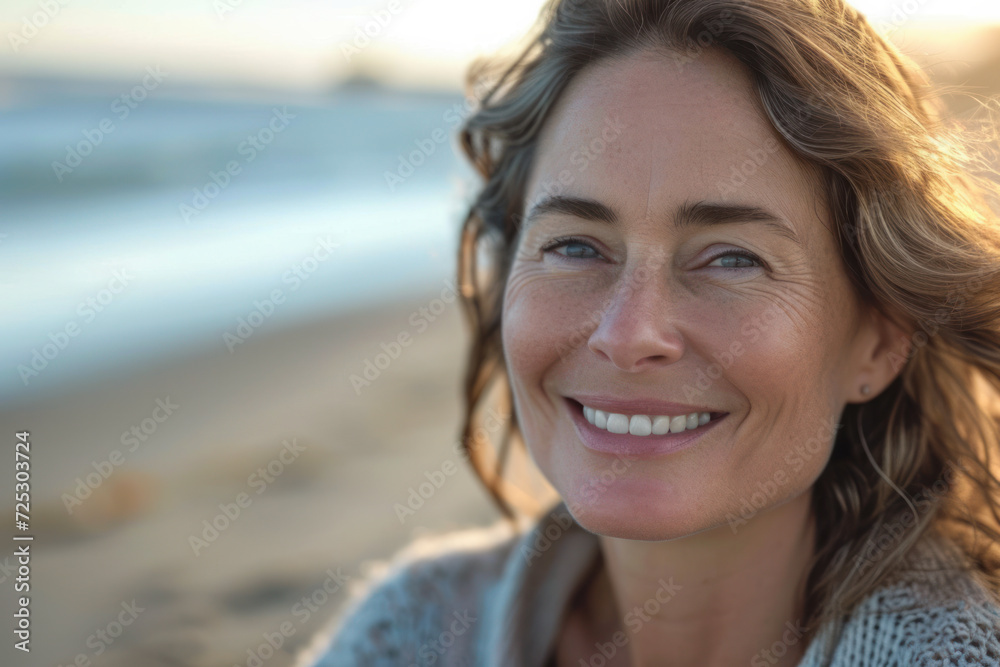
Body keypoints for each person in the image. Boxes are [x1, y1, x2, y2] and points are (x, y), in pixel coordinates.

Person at [296, 0, 1000, 664]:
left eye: (732, 258)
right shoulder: (405, 633)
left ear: (879, 337)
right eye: (575, 245)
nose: (629, 333)